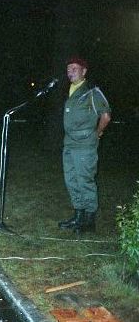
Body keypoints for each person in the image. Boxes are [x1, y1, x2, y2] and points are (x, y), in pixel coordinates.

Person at [58, 57, 111, 233]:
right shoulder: (71, 90)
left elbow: (105, 116)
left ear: (84, 71)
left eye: (74, 68)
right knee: (71, 179)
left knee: (85, 180)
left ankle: (89, 221)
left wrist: (97, 133)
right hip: (69, 142)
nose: (70, 71)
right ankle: (78, 215)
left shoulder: (91, 92)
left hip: (85, 144)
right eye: (68, 69)